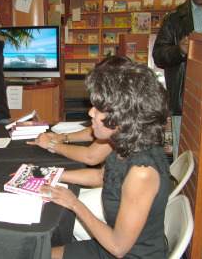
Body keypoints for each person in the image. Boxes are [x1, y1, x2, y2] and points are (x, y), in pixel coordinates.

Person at [40, 62, 171, 258]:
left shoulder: (142, 171)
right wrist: (51, 174)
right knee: (37, 252)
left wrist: (75, 203)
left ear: (124, 116)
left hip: (128, 253)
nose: (91, 112)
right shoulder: (129, 143)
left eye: (99, 108)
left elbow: (118, 247)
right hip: (109, 246)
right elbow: (102, 175)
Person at [153, 0, 202, 160]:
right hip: (186, 100)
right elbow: (158, 56)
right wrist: (180, 50)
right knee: (185, 157)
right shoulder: (174, 18)